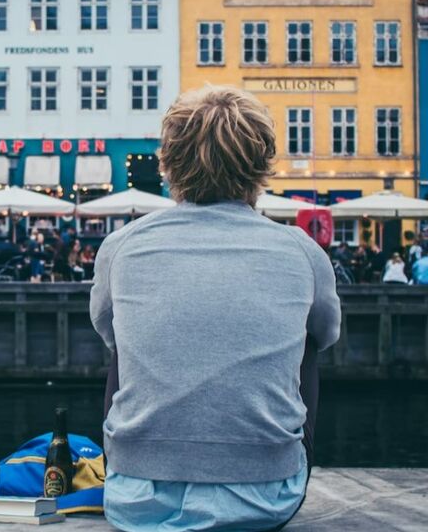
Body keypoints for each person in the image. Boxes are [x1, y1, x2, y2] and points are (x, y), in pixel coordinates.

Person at [91, 86, 341, 532]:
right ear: (262, 164)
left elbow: (110, 335)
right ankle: (283, 461)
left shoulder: (122, 246)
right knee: (305, 340)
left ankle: (135, 457)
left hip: (135, 498)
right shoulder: (302, 251)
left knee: (124, 347)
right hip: (267, 499)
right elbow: (326, 335)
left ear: (167, 163)